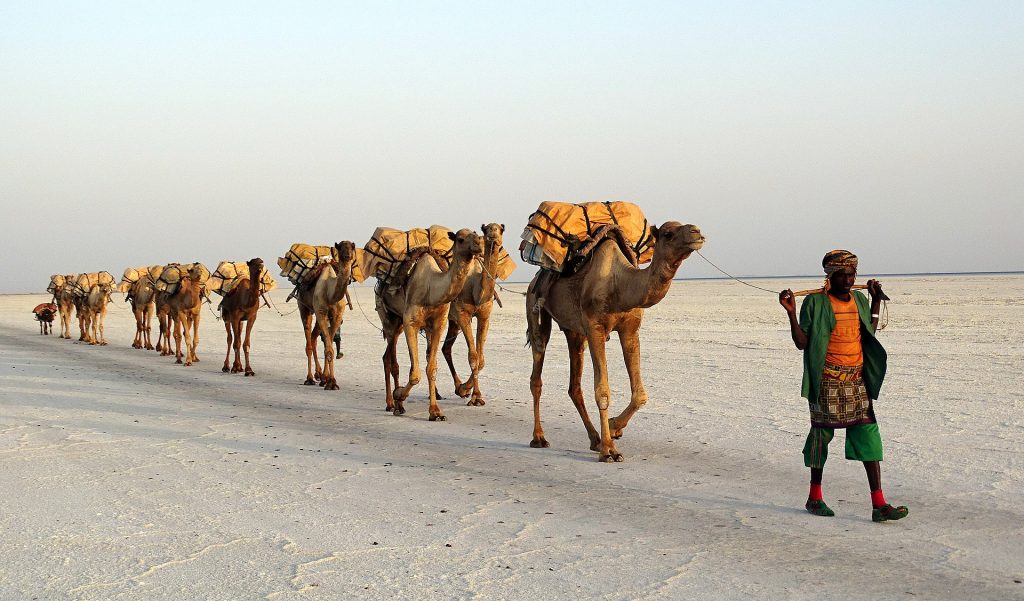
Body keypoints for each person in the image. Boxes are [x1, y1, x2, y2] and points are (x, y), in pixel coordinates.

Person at [779, 250, 908, 523]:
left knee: (869, 435)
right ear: (830, 276)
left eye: (852, 275)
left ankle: (879, 504)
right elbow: (802, 343)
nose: (849, 280)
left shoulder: (859, 299)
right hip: (827, 381)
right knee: (821, 437)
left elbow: (869, 330)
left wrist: (874, 301)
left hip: (856, 380)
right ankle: (815, 497)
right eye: (843, 275)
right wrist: (791, 313)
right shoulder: (815, 302)